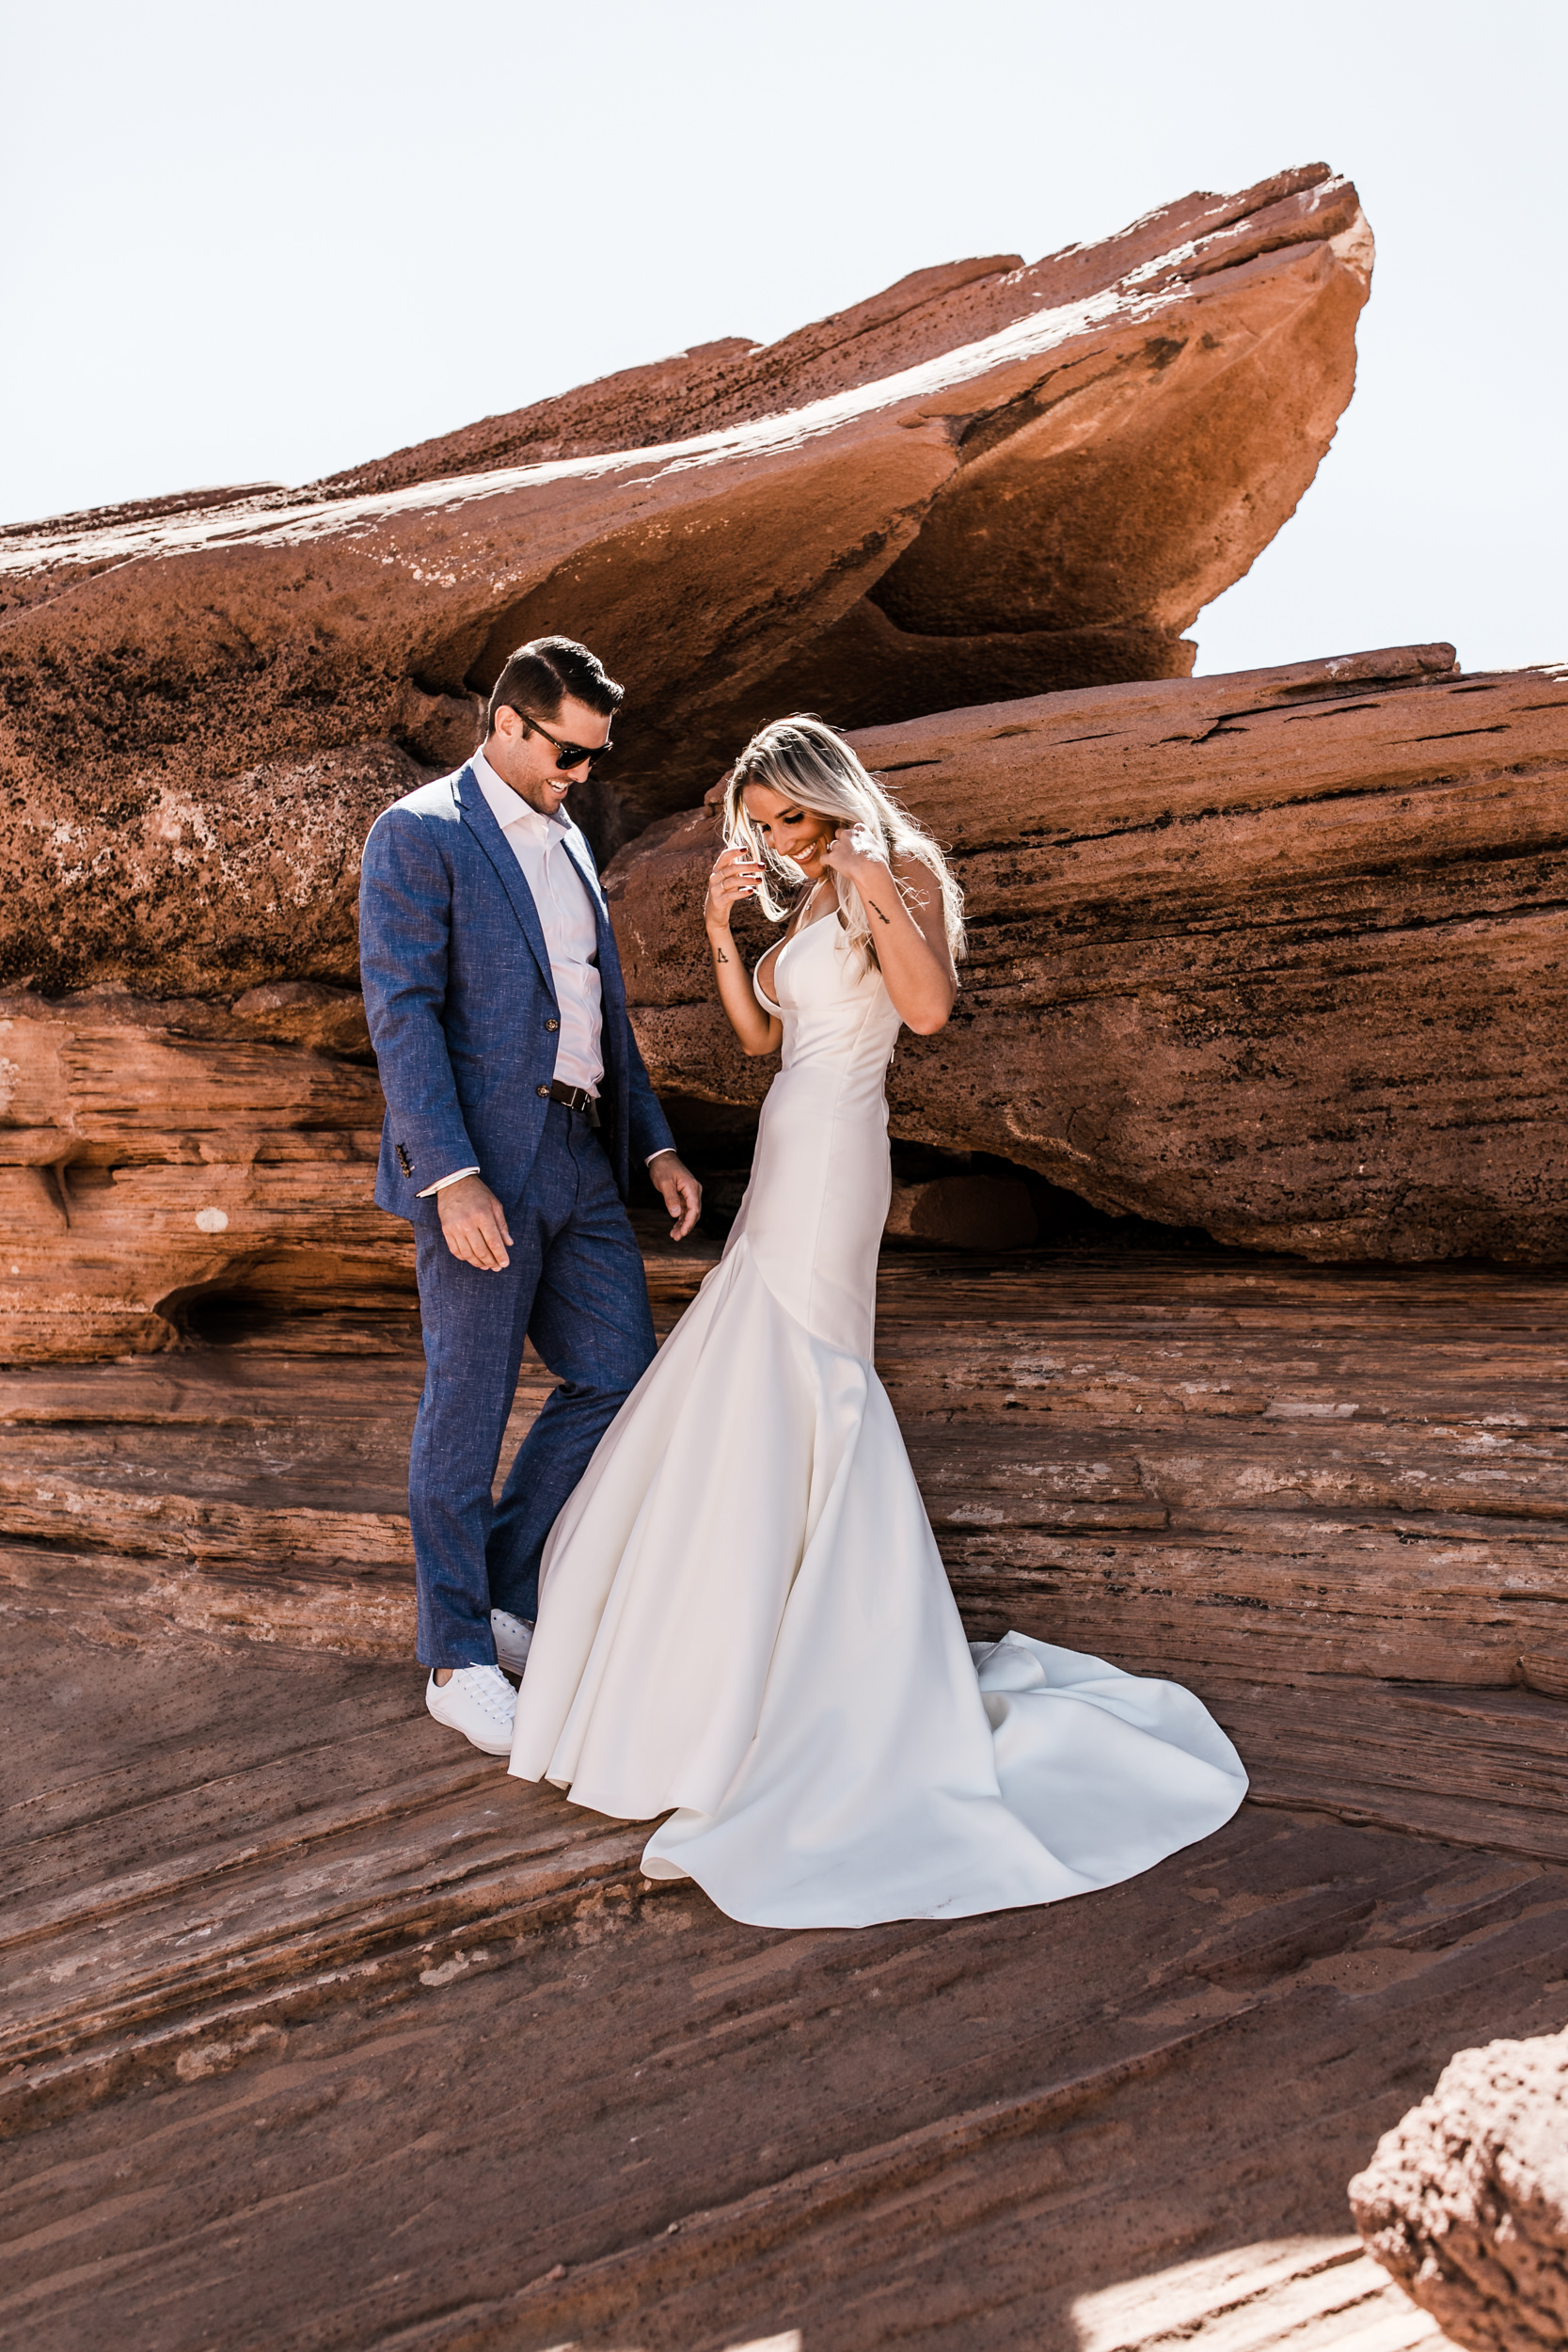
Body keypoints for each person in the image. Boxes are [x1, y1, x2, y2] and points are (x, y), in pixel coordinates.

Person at [509, 714, 1245, 1929]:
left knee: (800, 1373)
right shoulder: (798, 904)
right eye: (758, 828)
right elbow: (760, 1041)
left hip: (842, 1153)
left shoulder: (888, 873)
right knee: (748, 1370)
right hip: (789, 1140)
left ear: (828, 800)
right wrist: (716, 924)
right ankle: (730, 1658)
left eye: (783, 819)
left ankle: (818, 1664)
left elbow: (927, 1012)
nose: (775, 841)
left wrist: (868, 883)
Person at [358, 636, 702, 1758]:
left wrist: (650, 1148)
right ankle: (458, 1658)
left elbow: (599, 1011)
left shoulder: (565, 837)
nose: (583, 774)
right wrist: (447, 1178)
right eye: (568, 751)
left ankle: (503, 1591)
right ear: (505, 723)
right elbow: (401, 1013)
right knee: (467, 1400)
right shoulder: (419, 835)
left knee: (614, 1372)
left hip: (582, 1158)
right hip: (481, 1169)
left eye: (594, 756)